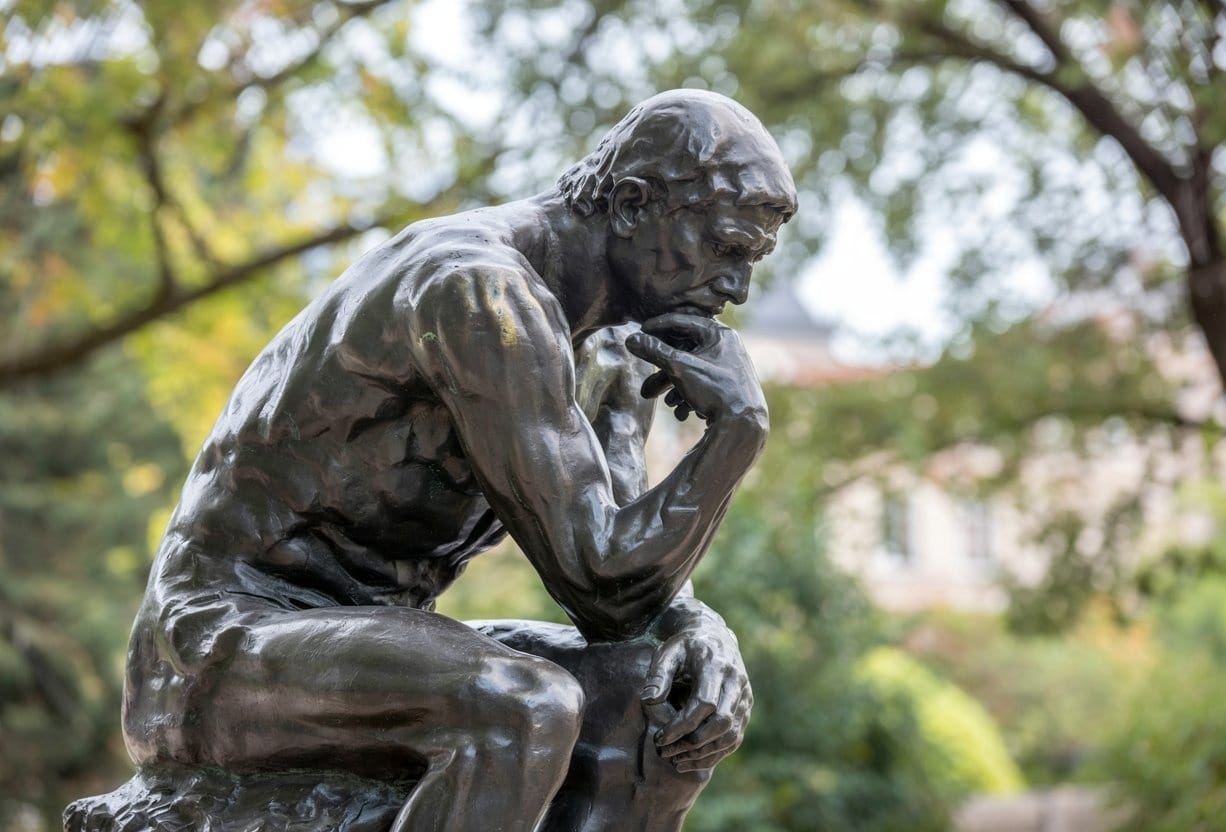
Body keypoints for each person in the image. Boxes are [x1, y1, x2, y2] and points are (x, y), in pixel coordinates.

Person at [121, 89, 797, 831]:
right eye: (727, 249)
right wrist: (737, 434)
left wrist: (699, 631)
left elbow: (633, 596)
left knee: (660, 703)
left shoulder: (611, 351)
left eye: (753, 260)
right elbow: (599, 578)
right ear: (633, 205)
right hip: (218, 646)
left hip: (375, 645)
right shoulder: (477, 291)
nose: (737, 289)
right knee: (522, 708)